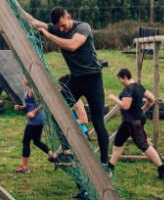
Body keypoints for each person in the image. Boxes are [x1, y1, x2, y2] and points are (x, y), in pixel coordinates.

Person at [21, 5, 110, 167]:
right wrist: (15, 6)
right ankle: (67, 151)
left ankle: (105, 163)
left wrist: (48, 34)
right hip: (76, 80)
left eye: (64, 25)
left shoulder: (83, 27)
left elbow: (72, 45)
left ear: (69, 17)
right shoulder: (57, 29)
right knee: (56, 112)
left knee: (97, 121)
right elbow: (33, 21)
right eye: (58, 27)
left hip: (93, 79)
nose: (61, 29)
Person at [107, 68, 164, 179]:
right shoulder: (139, 87)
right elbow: (152, 98)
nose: (120, 81)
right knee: (118, 143)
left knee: (143, 145)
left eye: (120, 79)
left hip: (133, 122)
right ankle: (110, 167)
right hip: (129, 121)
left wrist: (114, 98)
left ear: (125, 77)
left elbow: (125, 106)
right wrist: (144, 108)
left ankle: (162, 167)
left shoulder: (128, 90)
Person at [13, 78, 57, 173]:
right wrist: (21, 107)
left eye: (25, 77)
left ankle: (25, 168)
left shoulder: (34, 90)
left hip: (35, 120)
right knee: (36, 141)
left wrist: (33, 112)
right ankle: (53, 157)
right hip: (37, 119)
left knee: (26, 141)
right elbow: (30, 104)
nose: (23, 79)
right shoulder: (30, 89)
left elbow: (43, 103)